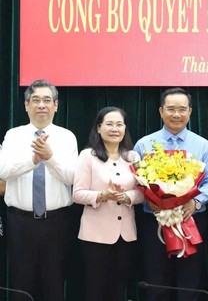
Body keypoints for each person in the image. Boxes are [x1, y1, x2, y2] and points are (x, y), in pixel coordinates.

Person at [134, 88, 208, 301]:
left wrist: (196, 202)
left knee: (189, 281)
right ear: (161, 111)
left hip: (191, 220)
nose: (176, 114)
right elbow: (135, 182)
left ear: (190, 111)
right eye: (171, 109)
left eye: (182, 109)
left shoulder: (202, 145)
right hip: (154, 221)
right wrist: (150, 200)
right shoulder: (144, 144)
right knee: (156, 281)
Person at [0, 79, 78, 301]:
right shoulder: (13, 135)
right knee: (21, 284)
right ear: (26, 105)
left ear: (56, 105)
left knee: (54, 283)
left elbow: (72, 177)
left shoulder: (66, 136)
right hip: (20, 222)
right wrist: (33, 160)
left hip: (57, 222)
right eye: (35, 100)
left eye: (47, 100)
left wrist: (50, 158)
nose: (41, 105)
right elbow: (3, 171)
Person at [72, 107, 145, 301]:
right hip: (95, 236)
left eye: (119, 124)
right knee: (95, 290)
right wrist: (102, 195)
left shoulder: (133, 157)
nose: (114, 129)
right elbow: (77, 194)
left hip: (125, 235)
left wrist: (127, 197)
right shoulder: (87, 156)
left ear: (125, 129)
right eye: (109, 124)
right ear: (98, 128)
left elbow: (143, 193)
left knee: (119, 290)